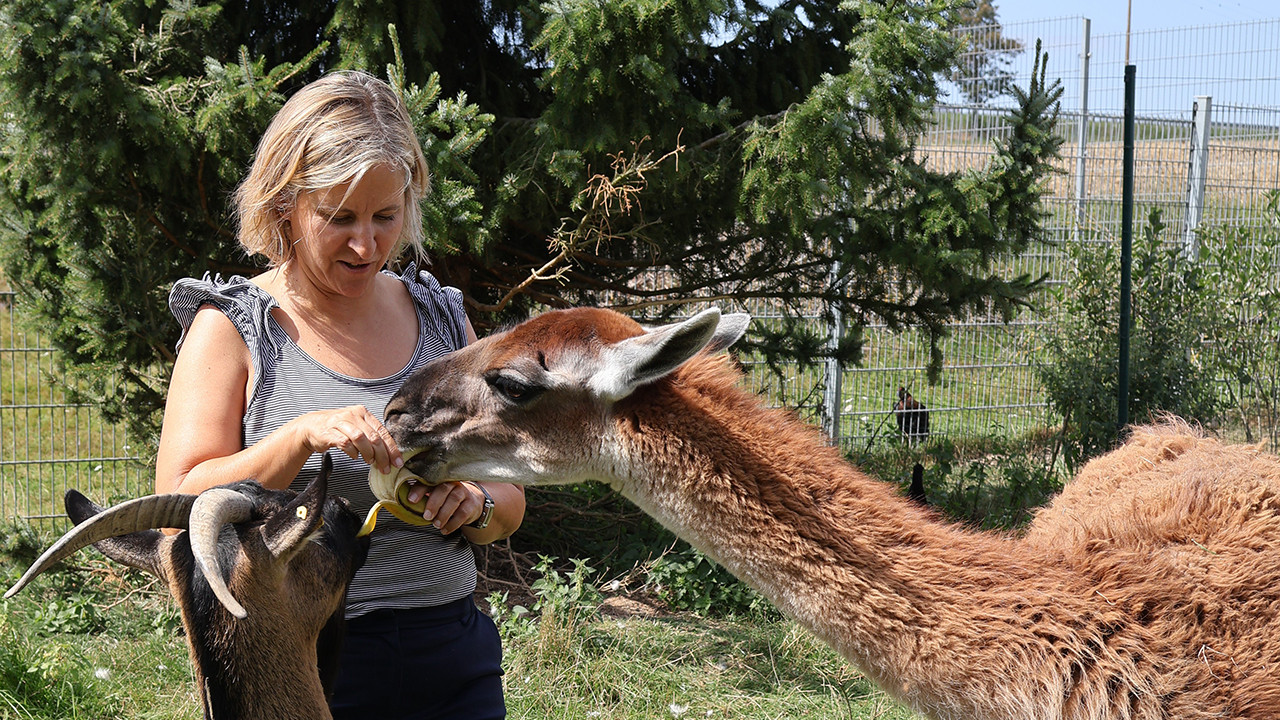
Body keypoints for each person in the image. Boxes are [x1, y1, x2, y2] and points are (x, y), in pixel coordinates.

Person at [155, 70, 523, 720]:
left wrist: (475, 504)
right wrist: (299, 438)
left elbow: (510, 500)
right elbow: (180, 503)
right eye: (339, 217)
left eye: (386, 216)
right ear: (283, 205)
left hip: (452, 652)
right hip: (302, 665)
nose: (367, 243)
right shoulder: (236, 329)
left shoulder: (440, 318)